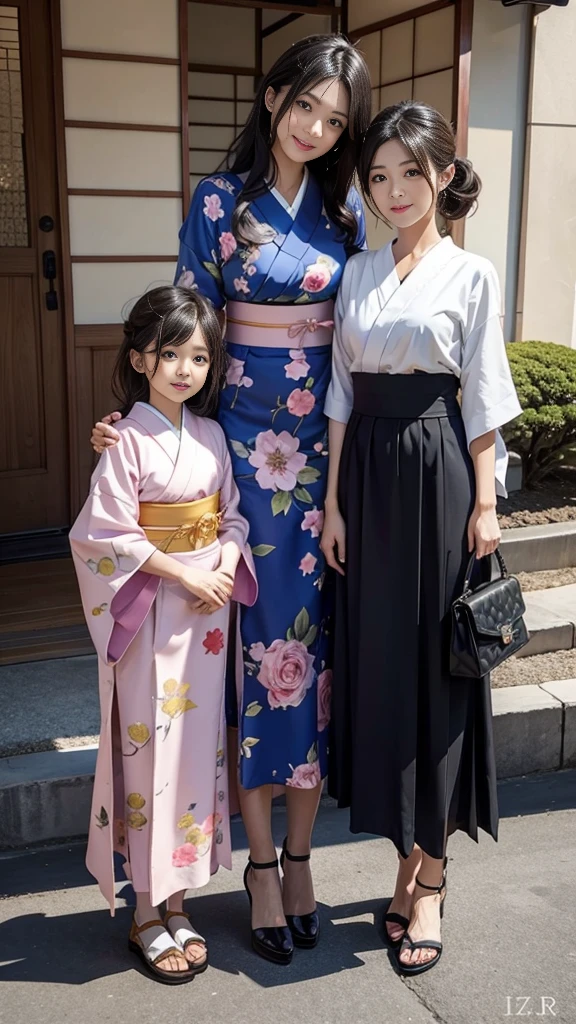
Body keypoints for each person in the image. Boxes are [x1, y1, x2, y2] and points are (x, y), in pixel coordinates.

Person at [88, 34, 372, 965]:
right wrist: (142, 431)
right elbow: (187, 332)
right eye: (307, 108)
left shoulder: (343, 207)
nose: (317, 130)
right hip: (233, 454)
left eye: (336, 121)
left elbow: (362, 336)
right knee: (233, 661)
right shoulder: (221, 202)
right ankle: (249, 865)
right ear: (274, 94)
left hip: (316, 458)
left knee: (303, 653)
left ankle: (296, 856)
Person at [321, 101, 521, 976]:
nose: (393, 191)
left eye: (410, 172)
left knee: (437, 670)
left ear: (443, 174)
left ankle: (431, 877)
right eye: (378, 176)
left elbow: (481, 400)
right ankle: (404, 854)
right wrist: (331, 504)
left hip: (439, 476)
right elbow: (335, 395)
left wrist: (485, 504)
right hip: (363, 477)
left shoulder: (470, 275)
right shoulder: (357, 272)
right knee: (380, 668)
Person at [70, 286, 257, 983]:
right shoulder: (124, 441)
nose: (184, 368)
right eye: (170, 353)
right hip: (152, 618)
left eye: (199, 356)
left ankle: (178, 900)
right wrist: (184, 573)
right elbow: (103, 537)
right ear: (141, 358)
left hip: (204, 620)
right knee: (150, 759)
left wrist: (228, 559)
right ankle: (144, 911)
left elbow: (232, 515)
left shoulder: (210, 438)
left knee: (195, 757)